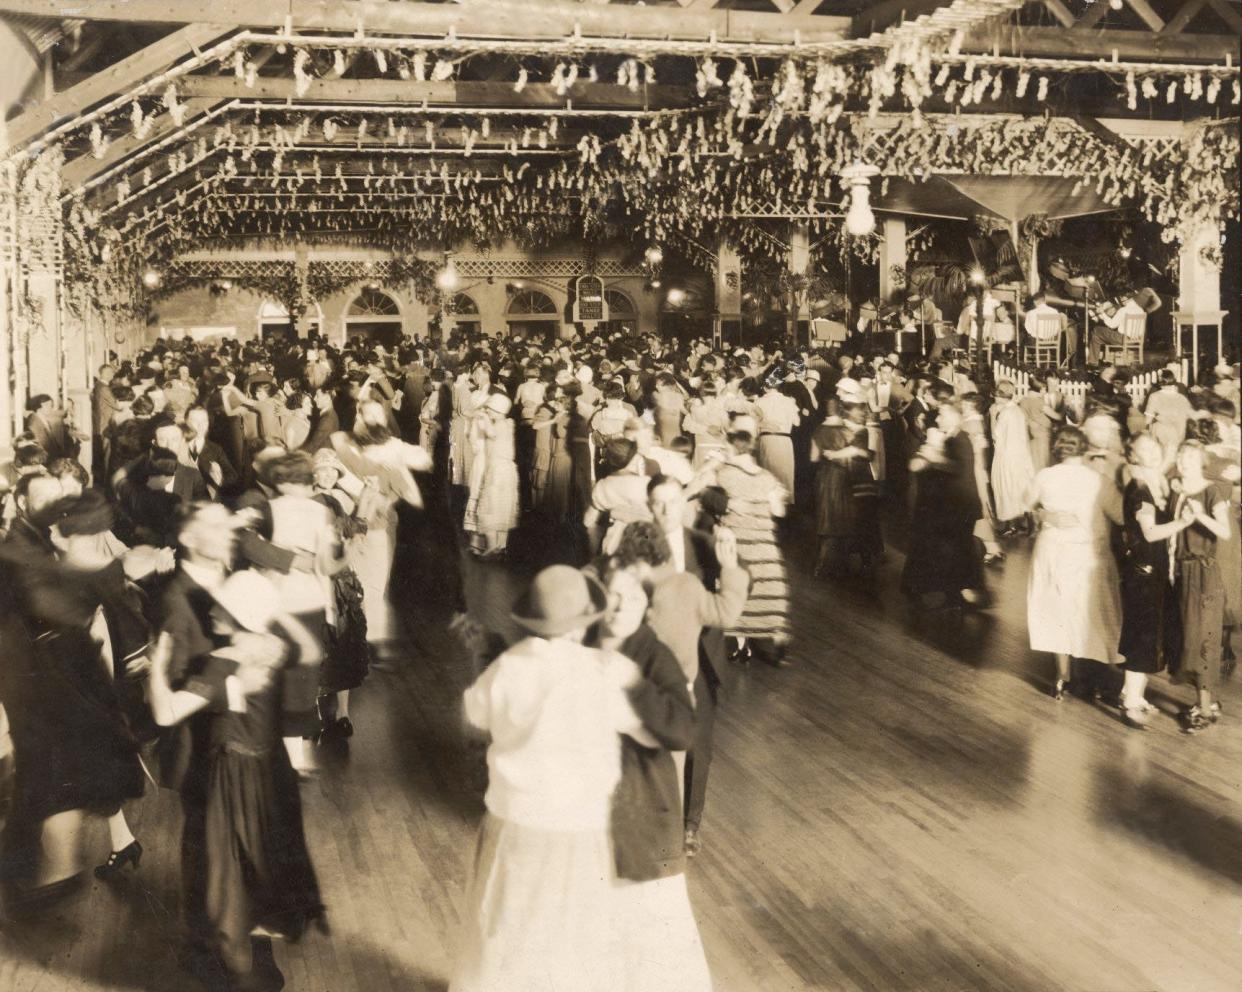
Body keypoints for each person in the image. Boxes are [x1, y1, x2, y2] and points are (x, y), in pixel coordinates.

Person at [450, 565, 649, 992]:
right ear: (584, 622)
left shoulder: (507, 667)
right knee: (574, 930)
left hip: (515, 818)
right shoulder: (600, 671)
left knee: (505, 922)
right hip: (580, 823)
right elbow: (635, 722)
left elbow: (474, 714)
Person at [147, 571, 326, 992]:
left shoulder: (225, 661)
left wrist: (157, 662)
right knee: (258, 860)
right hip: (269, 772)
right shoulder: (274, 647)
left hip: (231, 778)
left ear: (239, 615)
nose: (211, 610)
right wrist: (275, 611)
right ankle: (252, 949)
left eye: (221, 606)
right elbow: (313, 649)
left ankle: (239, 970)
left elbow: (165, 713)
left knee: (225, 873)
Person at [594, 563, 713, 992]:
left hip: (641, 807)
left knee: (652, 925)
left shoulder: (654, 655)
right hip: (589, 807)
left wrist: (633, 687)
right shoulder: (583, 642)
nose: (622, 604)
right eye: (614, 594)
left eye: (633, 596)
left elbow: (684, 730)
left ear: (647, 605)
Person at [1024, 426, 1124, 699]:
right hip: (1087, 552)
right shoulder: (1098, 480)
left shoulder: (1045, 475)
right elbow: (1120, 515)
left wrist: (1046, 514)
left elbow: (1026, 504)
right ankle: (1097, 677)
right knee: (1091, 612)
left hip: (1052, 550)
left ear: (1058, 448)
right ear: (1085, 449)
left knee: (1058, 613)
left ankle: (1062, 676)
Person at [688, 413, 790, 665]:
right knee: (768, 588)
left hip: (737, 541)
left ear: (731, 445)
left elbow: (696, 488)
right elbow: (779, 511)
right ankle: (775, 635)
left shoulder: (724, 473)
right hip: (764, 543)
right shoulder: (767, 478)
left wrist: (710, 471)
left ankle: (741, 644)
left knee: (738, 588)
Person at [1117, 434, 1188, 727]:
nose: (1151, 452)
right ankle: (1131, 702)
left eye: (1153, 446)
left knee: (1148, 633)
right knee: (1142, 636)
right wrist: (1184, 523)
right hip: (1143, 570)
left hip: (1153, 568)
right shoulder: (1140, 489)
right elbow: (1149, 533)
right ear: (1133, 455)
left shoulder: (1154, 481)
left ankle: (1132, 694)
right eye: (1143, 449)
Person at [1169, 440, 1233, 733]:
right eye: (1181, 457)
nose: (1185, 462)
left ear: (1202, 462)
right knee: (1190, 638)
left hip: (1204, 574)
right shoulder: (1177, 489)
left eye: (1191, 458)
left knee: (1202, 640)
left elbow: (1225, 532)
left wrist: (1199, 514)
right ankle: (1209, 701)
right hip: (1182, 572)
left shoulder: (1212, 493)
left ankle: (1205, 710)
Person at [463, 393, 520, 560]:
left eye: (490, 409)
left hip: (498, 471)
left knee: (491, 505)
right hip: (503, 470)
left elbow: (491, 433)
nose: (488, 411)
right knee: (500, 507)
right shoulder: (507, 423)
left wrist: (481, 416)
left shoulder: (501, 425)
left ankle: (493, 546)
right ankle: (500, 546)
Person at [989, 379, 1035, 534]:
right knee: (1020, 487)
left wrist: (992, 416)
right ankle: (1028, 523)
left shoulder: (1003, 413)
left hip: (1005, 456)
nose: (994, 398)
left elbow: (996, 436)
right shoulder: (1017, 410)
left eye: (996, 394)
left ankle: (1011, 525)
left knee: (1005, 488)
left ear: (1001, 396)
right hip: (1020, 456)